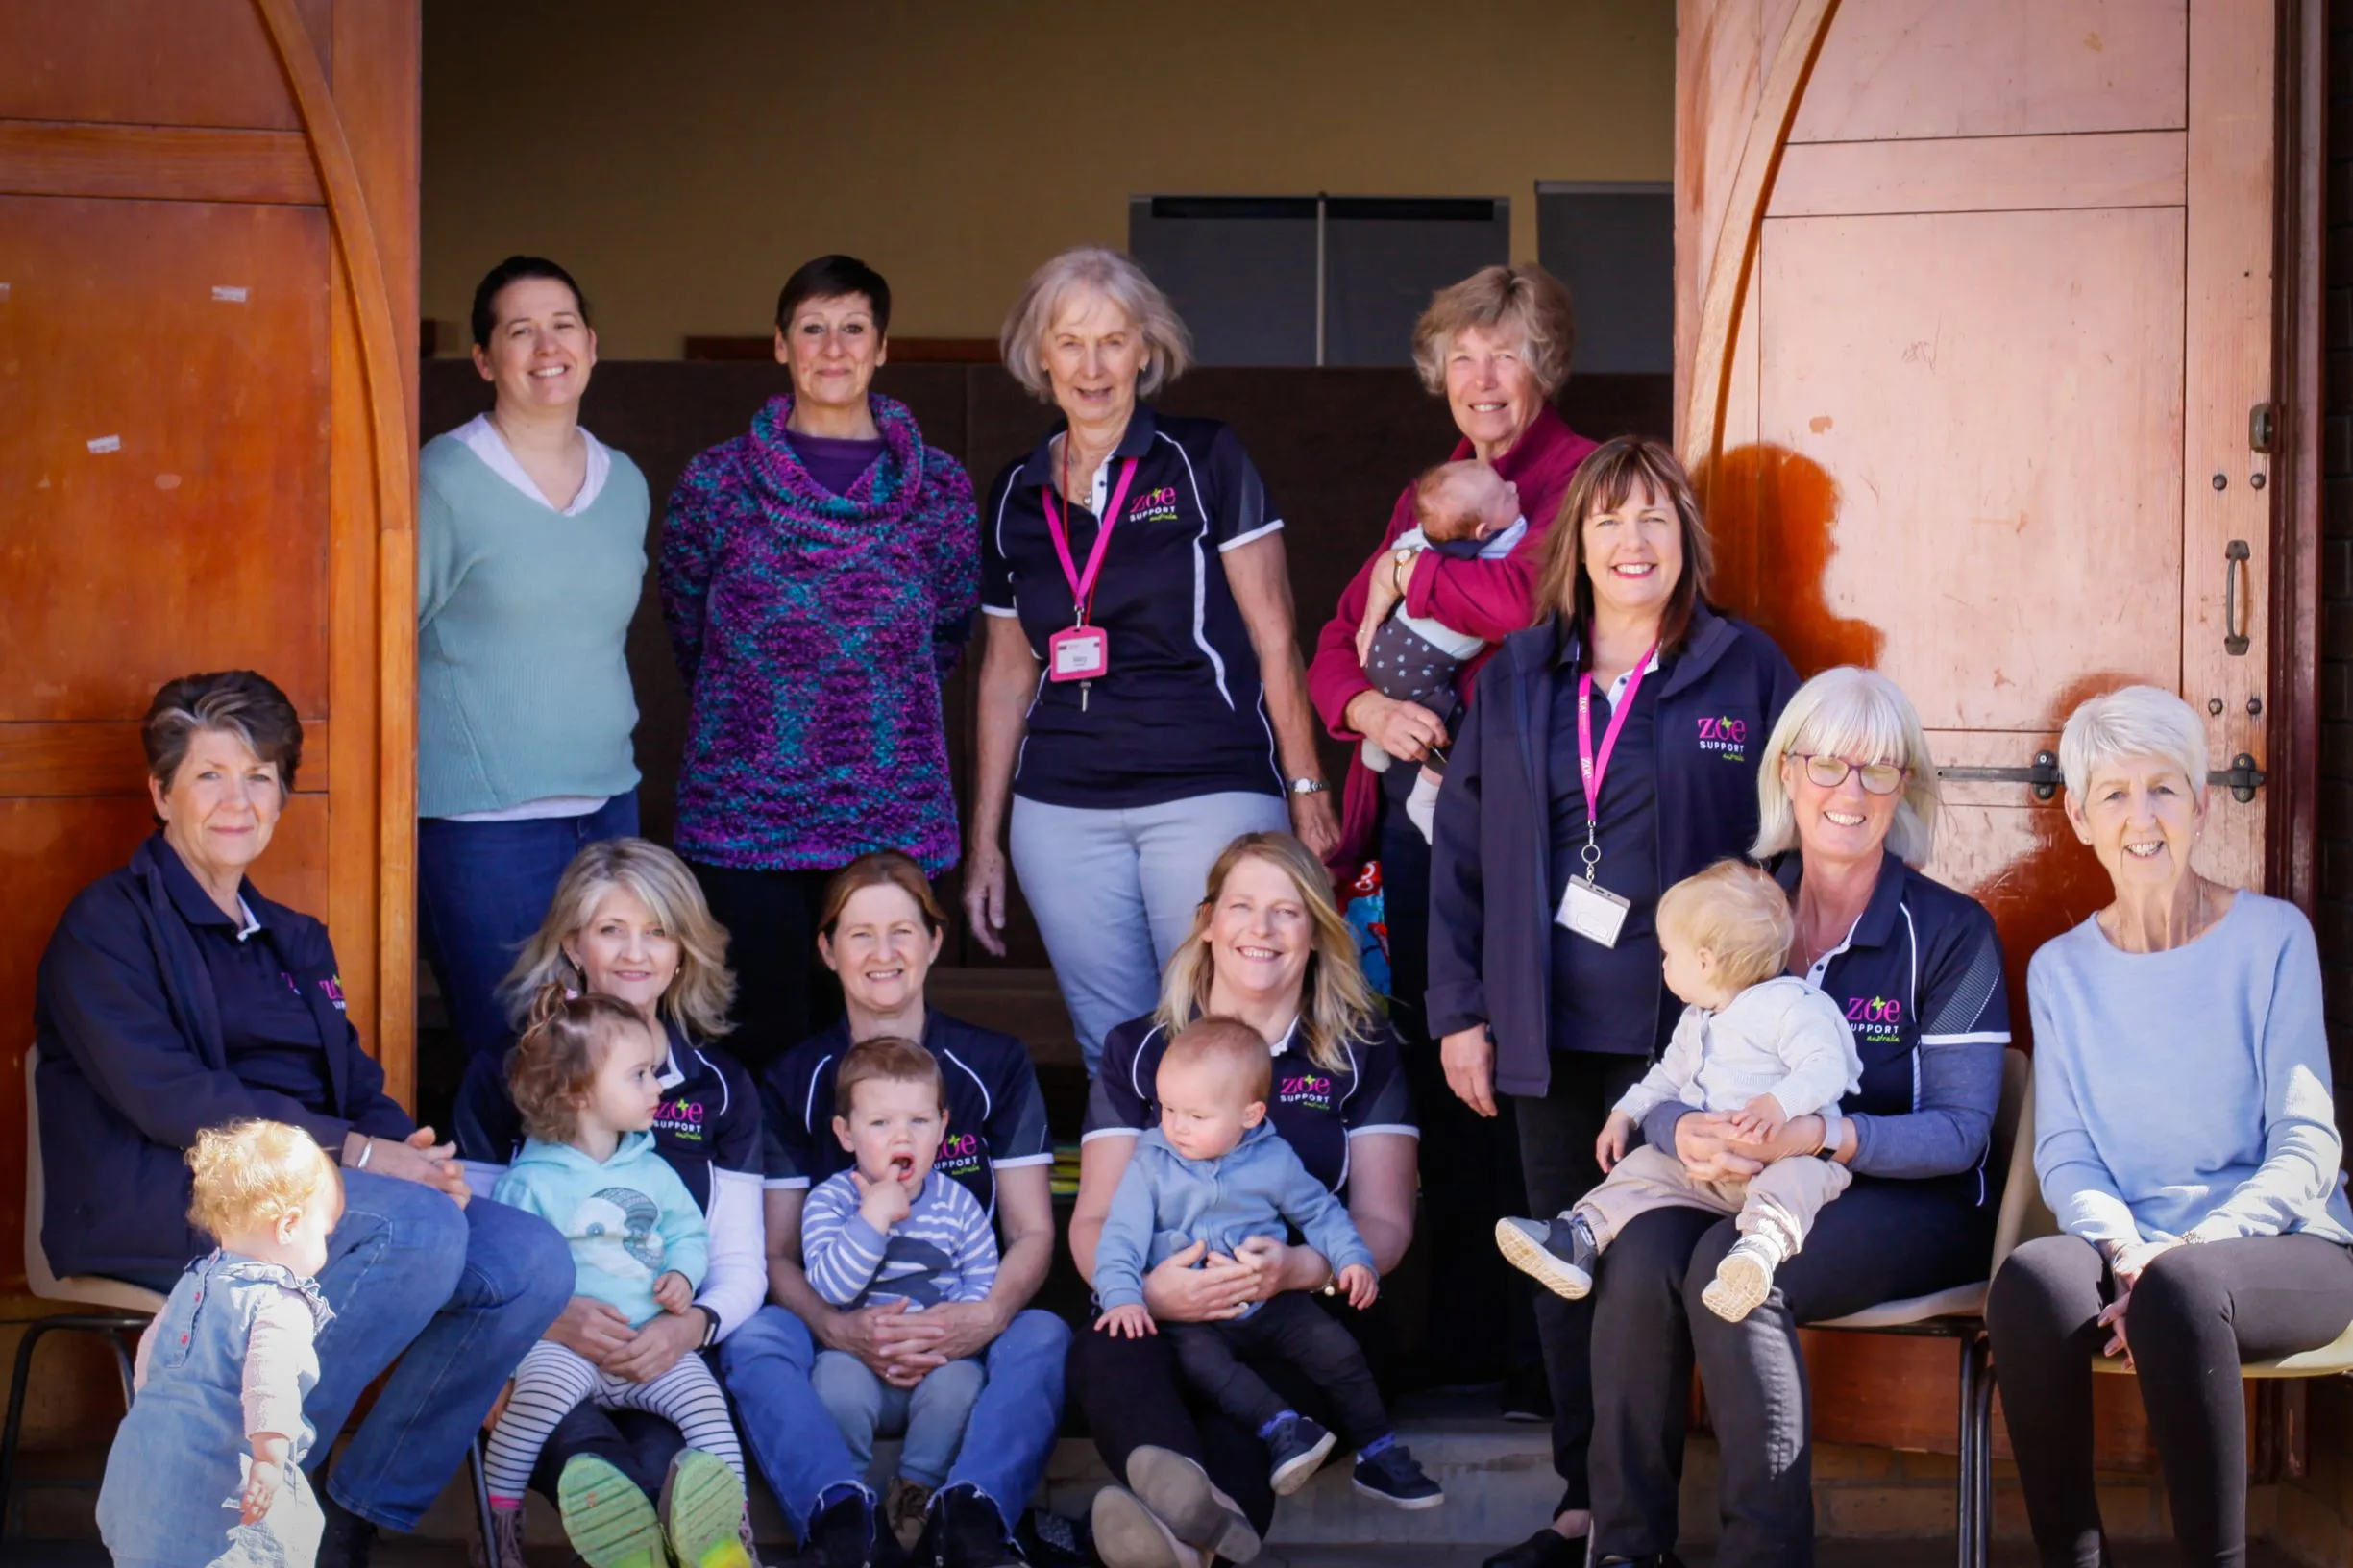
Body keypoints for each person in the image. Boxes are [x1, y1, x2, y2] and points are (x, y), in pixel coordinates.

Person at [33, 670, 571, 1563]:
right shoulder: (108, 926)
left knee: (528, 1260)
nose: (238, 799)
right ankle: (248, 1498)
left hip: (318, 1191)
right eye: (210, 775)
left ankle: (355, 1514)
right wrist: (362, 1154)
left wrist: (410, 1151)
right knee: (418, 1234)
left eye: (260, 775)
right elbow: (172, 1099)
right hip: (168, 1191)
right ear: (161, 793)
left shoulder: (290, 935)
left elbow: (353, 1083)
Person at [1425, 437, 1800, 1568]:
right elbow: (1460, 857)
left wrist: (1760, 1017)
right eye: (1607, 523)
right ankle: (1587, 1509)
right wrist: (1458, 1010)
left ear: (1685, 541)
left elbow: (1782, 855)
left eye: (1653, 521)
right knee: (1561, 1271)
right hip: (1544, 1030)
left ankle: (1653, 1515)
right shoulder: (1519, 675)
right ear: (1572, 546)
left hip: (1689, 1048)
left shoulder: (1742, 670)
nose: (1631, 543)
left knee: (1660, 1274)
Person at [1570, 666, 2010, 1568]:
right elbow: (1674, 1075)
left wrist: (1823, 1134)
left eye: (1878, 771)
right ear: (1784, 774)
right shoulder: (1734, 905)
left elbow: (1962, 1136)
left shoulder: (1952, 932)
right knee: (1639, 1249)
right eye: (1826, 765)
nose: (1848, 792)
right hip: (1741, 1183)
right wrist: (1671, 1133)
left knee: (1733, 1272)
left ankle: (1762, 1558)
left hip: (1912, 1199)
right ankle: (1623, 1551)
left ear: (1906, 789)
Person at [1306, 263, 1595, 1401]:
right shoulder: (1428, 491)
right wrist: (1364, 705)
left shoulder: (1580, 478)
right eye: (1462, 357)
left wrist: (1418, 581)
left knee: (1517, 1085)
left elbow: (1542, 601)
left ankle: (1534, 1358)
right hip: (1414, 836)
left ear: (1544, 365)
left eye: (1505, 352)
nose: (1482, 378)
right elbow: (1342, 632)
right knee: (1426, 1080)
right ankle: (1456, 1344)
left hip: (1524, 834)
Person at [1988, 685, 2353, 1568]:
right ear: (2078, 815)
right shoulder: (2060, 970)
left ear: (2198, 802)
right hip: (2135, 1245)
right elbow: (2066, 1152)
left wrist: (2188, 1248)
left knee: (2184, 1292)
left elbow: (2307, 1145)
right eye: (2113, 793)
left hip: (2281, 1245)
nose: (2140, 816)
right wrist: (2124, 1253)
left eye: (2163, 788)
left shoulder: (2272, 939)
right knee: (2031, 1282)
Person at [964, 245, 1339, 1076]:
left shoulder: (1203, 459)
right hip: (1060, 809)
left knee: (1225, 1034)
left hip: (1206, 787)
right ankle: (1128, 1212)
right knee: (1115, 1048)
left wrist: (1307, 787)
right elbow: (1003, 675)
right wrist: (984, 840)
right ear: (1041, 356)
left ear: (1145, 349)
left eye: (1112, 341)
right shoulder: (1015, 491)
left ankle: (1232, 1208)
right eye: (1070, 342)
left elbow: (1276, 636)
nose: (1091, 366)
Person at [1068, 833, 1419, 1568]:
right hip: (1168, 1306)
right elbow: (1096, 1220)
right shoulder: (1138, 1047)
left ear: (1319, 933)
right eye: (1242, 907)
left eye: (1286, 912)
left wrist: (1298, 1269)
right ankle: (1188, 1529)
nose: (1260, 931)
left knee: (1264, 1414)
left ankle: (1172, 1544)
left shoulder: (1360, 1049)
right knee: (1112, 1341)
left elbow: (1384, 1222)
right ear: (1206, 922)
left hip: (1307, 1310)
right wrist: (1153, 1295)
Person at [663, 254, 979, 1066]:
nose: (832, 349)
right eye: (812, 328)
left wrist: (862, 704)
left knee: (876, 1051)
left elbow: (945, 632)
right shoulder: (714, 483)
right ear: (779, 345)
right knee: (755, 1048)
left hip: (887, 814)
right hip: (745, 818)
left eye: (852, 329)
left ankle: (868, 1199)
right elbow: (687, 629)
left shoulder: (939, 488)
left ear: (881, 349)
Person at [725, 852, 1064, 1568]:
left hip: (958, 1327)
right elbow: (778, 1256)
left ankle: (972, 1521)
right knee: (754, 1339)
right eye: (859, 934)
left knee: (1040, 1332)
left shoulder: (992, 1063)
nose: (883, 954)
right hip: (841, 1335)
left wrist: (985, 1315)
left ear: (934, 941)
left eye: (902, 932)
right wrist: (837, 1327)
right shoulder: (793, 1078)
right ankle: (840, 1524)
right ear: (826, 950)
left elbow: (1031, 1232)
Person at [452, 836, 765, 1558]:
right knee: (599, 1474)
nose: (635, 953)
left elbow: (741, 1261)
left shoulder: (720, 1088)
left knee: (672, 1474)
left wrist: (690, 1327)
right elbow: (470, 1244)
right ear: (572, 945)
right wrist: (549, 1316)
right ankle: (499, 1538)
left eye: (657, 931)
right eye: (611, 930)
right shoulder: (508, 1075)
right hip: (542, 1347)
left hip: (665, 1344)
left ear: (683, 951)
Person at [419, 255, 650, 1064]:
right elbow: (380, 645)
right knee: (513, 1052)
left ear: (590, 343)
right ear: (485, 360)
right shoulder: (441, 480)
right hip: (483, 822)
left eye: (561, 326)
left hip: (607, 807)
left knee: (607, 1047)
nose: (545, 346)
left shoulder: (624, 482)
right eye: (520, 330)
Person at [1092, 1017, 1442, 1510]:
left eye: (1195, 1115)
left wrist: (1350, 1258)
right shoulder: (1151, 1165)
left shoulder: (1273, 1160)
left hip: (1271, 1300)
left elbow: (1320, 1212)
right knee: (1206, 1367)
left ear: (1250, 1115)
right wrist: (1127, 1297)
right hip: (1196, 1316)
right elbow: (1118, 1241)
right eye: (1167, 1109)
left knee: (1337, 1350)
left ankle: (1380, 1453)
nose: (1176, 1126)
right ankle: (1281, 1427)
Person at [1496, 860, 1859, 1323]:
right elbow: (1666, 1077)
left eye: (1669, 954)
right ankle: (1579, 1237)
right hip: (1710, 1170)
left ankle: (1756, 1254)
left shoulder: (1790, 1004)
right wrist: (1624, 1114)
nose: (1664, 964)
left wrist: (1778, 1103)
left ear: (1705, 961)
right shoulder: (1698, 1019)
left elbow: (1827, 1068)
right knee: (1643, 1165)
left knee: (1798, 1181)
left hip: (1786, 1158)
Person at [481, 988, 752, 1568]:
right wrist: (503, 1368)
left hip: (648, 1344)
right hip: (565, 1352)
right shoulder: (531, 1182)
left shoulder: (651, 1167)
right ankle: (499, 1528)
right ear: (580, 1093)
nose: (658, 1087)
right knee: (533, 1406)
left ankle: (732, 1538)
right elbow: (506, 1277)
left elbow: (687, 1234)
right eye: (639, 1076)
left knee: (707, 1404)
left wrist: (683, 1273)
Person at [98, 1121, 342, 1568]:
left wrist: (155, 1418)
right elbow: (270, 1379)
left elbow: (151, 1357)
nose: (326, 1251)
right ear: (289, 1225)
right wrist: (270, 1457)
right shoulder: (278, 1300)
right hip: (220, 1489)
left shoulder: (194, 1282)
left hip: (146, 1475)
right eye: (325, 1235)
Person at [804, 1038, 1000, 1549]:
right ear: (845, 1135)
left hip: (936, 1360)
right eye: (880, 1123)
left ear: (942, 1126)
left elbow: (983, 1285)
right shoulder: (831, 1201)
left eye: (918, 1121)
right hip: (859, 1363)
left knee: (962, 1385)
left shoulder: (958, 1204)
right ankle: (847, 1498)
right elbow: (829, 1286)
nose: (902, 1137)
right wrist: (874, 1215)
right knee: (831, 1382)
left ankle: (914, 1493)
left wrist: (941, 1337)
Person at [1352, 460, 1529, 838]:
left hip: (1386, 651)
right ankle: (1426, 798)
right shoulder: (1501, 549)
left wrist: (1394, 571)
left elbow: (1395, 559)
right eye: (1505, 493)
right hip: (1416, 671)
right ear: (1483, 530)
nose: (1515, 487)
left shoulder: (1423, 537)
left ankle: (1377, 746)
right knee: (1454, 730)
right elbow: (1516, 605)